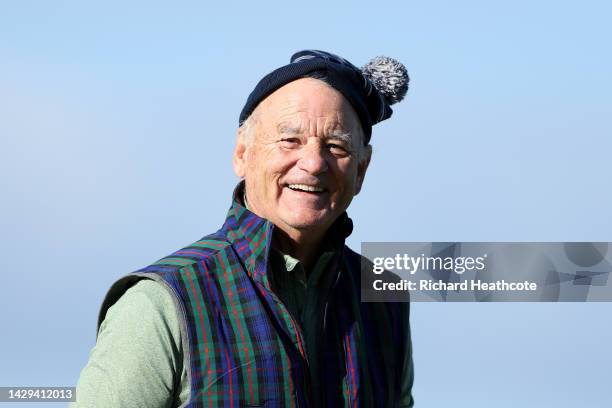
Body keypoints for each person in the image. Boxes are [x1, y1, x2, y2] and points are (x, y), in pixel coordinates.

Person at [74, 50, 414, 407]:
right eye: (289, 140)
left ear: (361, 169)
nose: (314, 163)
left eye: (336, 146)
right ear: (242, 153)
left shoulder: (383, 298)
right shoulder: (160, 303)